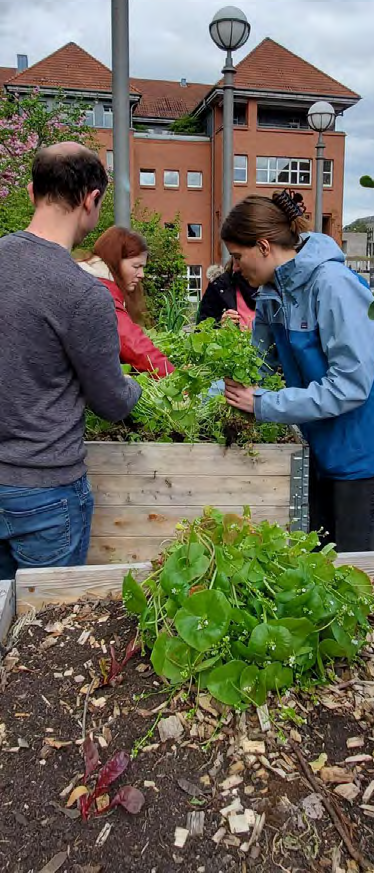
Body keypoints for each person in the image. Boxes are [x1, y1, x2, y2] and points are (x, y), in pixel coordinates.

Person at [0, 143, 141, 579]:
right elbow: (113, 402)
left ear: (30, 192)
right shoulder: (82, 293)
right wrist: (133, 385)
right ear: (91, 199)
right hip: (45, 492)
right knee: (43, 637)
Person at [222, 188, 374, 552]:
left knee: (362, 584)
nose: (235, 267)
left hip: (363, 458)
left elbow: (350, 386)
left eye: (237, 256)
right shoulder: (271, 292)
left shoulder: (332, 285)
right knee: (322, 574)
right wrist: (211, 393)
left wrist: (261, 404)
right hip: (322, 450)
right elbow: (259, 371)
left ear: (263, 246)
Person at [78, 227, 174, 378]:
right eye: (136, 266)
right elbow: (131, 343)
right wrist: (174, 377)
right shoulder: (101, 290)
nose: (141, 274)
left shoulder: (88, 281)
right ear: (115, 260)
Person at [197, 259, 258, 329]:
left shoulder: (271, 288)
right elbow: (199, 330)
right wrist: (219, 324)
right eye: (234, 257)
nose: (234, 267)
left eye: (239, 257)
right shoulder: (219, 287)